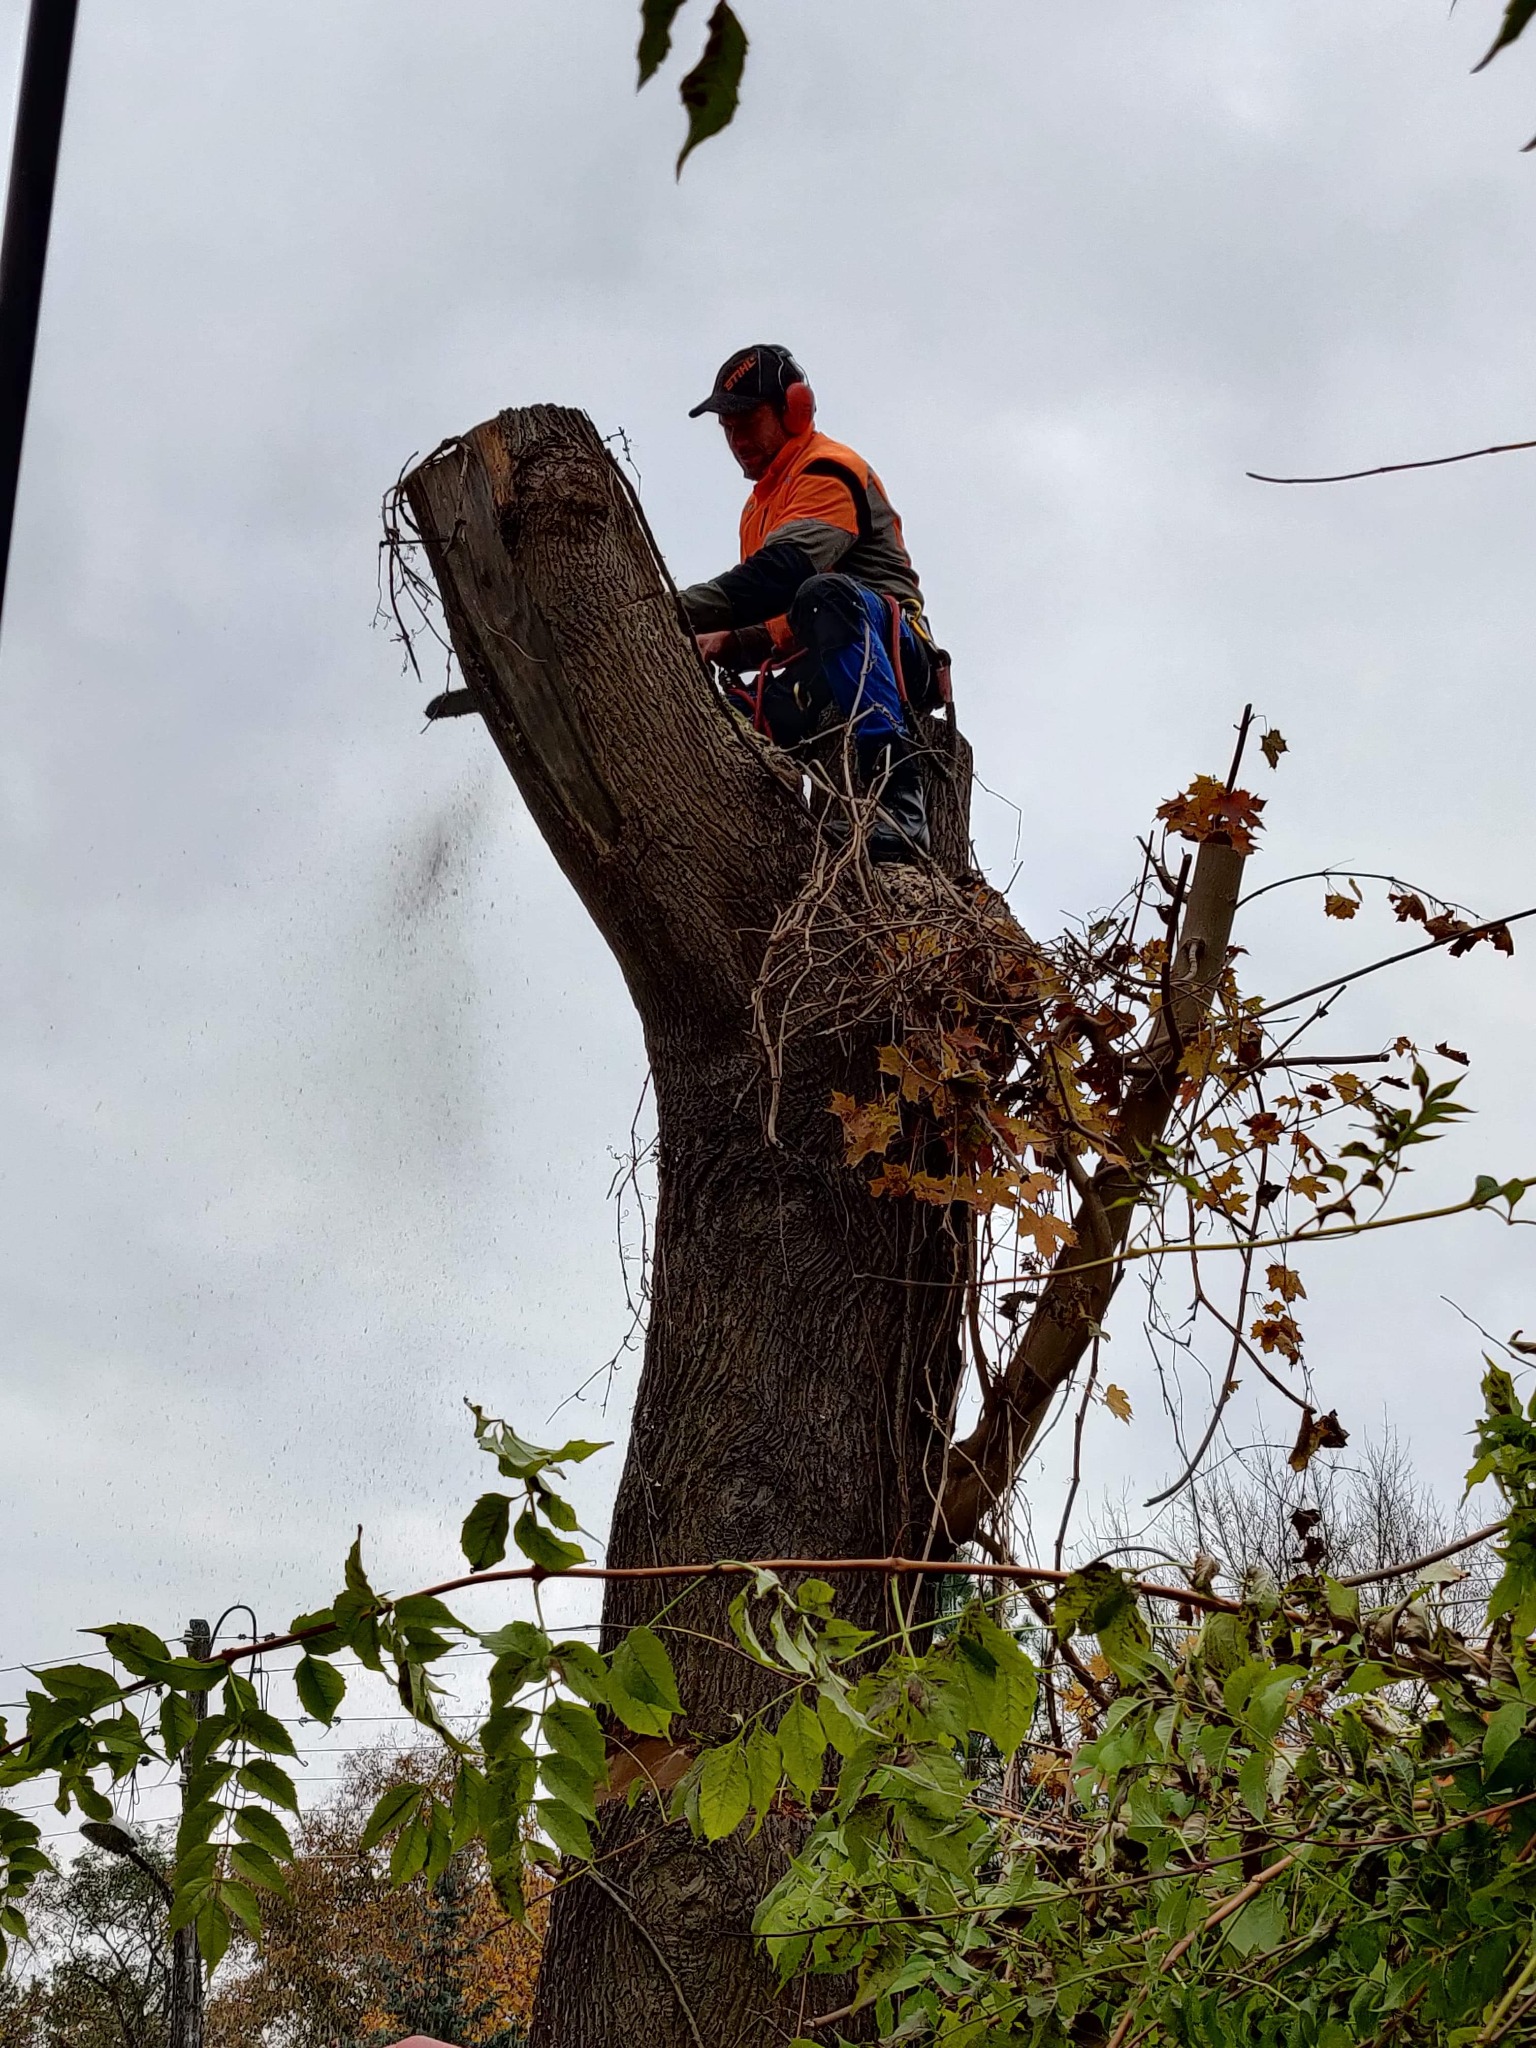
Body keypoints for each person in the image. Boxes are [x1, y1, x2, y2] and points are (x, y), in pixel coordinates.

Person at [678, 344, 947, 862]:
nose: (736, 441)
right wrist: (730, 642)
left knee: (823, 596)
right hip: (819, 667)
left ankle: (899, 802)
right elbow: (784, 624)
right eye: (726, 428)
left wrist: (667, 610)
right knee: (718, 716)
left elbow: (782, 579)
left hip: (891, 652)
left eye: (746, 422)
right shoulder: (756, 511)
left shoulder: (829, 469)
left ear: (794, 410)